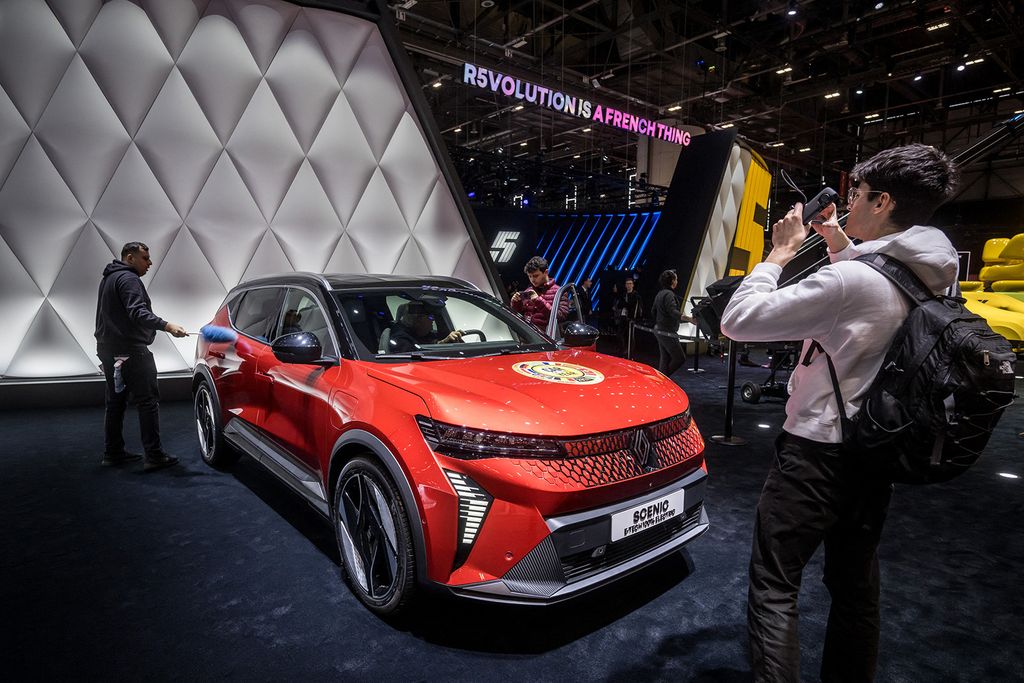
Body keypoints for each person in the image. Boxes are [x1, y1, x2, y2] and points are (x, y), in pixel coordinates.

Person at [720, 143, 960, 682]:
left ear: (882, 201)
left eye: (857, 194)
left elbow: (739, 320)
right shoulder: (933, 274)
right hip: (876, 450)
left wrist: (778, 256)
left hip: (814, 454)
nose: (848, 202)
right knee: (855, 590)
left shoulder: (852, 282)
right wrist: (834, 240)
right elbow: (874, 283)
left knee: (775, 584)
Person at [95, 242, 188, 471]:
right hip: (131, 351)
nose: (150, 263)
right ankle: (154, 456)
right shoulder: (128, 279)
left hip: (108, 350)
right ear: (130, 258)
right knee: (147, 402)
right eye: (145, 258)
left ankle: (113, 452)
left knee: (115, 402)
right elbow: (137, 312)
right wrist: (168, 326)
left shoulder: (109, 278)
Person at [511, 256, 565, 330]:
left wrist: (538, 300)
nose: (532, 279)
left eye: (535, 276)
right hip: (527, 335)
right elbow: (518, 315)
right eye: (530, 276)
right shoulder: (528, 291)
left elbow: (560, 317)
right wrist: (516, 303)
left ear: (546, 272)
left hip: (547, 338)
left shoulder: (559, 292)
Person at [652, 269, 689, 377]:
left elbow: (653, 311)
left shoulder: (660, 293)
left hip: (659, 329)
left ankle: (661, 380)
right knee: (679, 358)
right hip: (666, 330)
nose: (677, 281)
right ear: (672, 281)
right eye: (676, 279)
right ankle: (664, 379)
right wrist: (689, 319)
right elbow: (673, 311)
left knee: (665, 358)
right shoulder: (669, 295)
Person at [386, 302, 464, 352]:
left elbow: (429, 341)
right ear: (418, 320)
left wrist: (447, 340)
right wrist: (442, 343)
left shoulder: (422, 333)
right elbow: (417, 354)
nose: (433, 320)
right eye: (430, 317)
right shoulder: (399, 338)